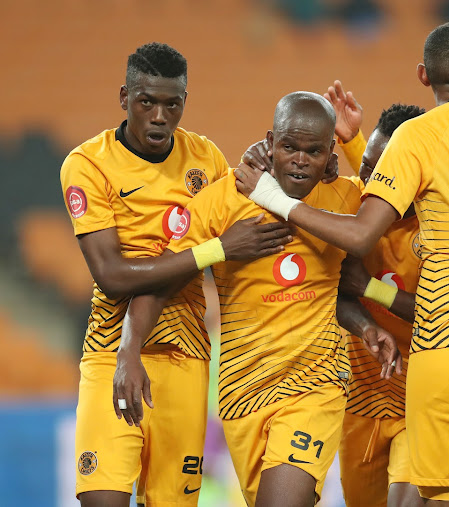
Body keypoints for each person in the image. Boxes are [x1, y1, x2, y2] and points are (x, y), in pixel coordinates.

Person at [235, 21, 449, 507]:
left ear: (422, 75)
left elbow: (363, 231)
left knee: (441, 499)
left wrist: (273, 198)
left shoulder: (419, 135)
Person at [117, 91, 401, 506]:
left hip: (314, 387)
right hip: (242, 394)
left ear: (329, 153)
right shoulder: (223, 200)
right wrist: (129, 349)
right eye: (289, 147)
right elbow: (163, 278)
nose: (300, 160)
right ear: (271, 142)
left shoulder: (345, 200)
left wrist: (365, 327)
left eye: (313, 151)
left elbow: (385, 198)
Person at [59, 42, 292, 506]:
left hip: (186, 359)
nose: (160, 116)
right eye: (147, 102)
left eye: (173, 104)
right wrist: (216, 249)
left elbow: (244, 210)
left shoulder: (204, 158)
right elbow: (112, 275)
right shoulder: (87, 164)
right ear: (124, 97)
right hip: (112, 353)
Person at [323, 84, 426, 506]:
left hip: (418, 399)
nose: (368, 184)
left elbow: (446, 313)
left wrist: (369, 288)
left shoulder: (438, 227)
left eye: (378, 174)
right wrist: (351, 143)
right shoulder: (352, 201)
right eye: (364, 167)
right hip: (360, 401)